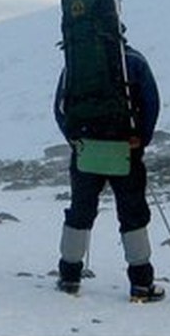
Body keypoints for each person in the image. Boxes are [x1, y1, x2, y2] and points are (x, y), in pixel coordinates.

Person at [53, 44, 164, 302]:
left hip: (85, 150)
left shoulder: (77, 60)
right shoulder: (134, 60)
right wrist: (141, 138)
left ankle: (69, 276)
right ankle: (141, 283)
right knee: (132, 212)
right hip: (125, 149)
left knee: (80, 210)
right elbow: (151, 102)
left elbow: (60, 107)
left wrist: (74, 139)